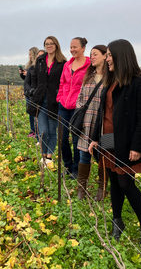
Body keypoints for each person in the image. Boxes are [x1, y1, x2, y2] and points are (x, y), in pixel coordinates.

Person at [88, 39, 141, 247]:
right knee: (113, 179)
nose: (106, 59)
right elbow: (103, 112)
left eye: (109, 55)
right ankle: (118, 221)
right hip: (108, 137)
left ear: (121, 55)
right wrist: (96, 138)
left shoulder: (139, 81)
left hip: (126, 140)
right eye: (106, 55)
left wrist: (136, 146)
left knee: (126, 182)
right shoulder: (110, 80)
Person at [27, 36, 67, 165]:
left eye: (51, 43)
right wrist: (33, 91)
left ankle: (49, 157)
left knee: (52, 131)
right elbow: (34, 78)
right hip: (41, 100)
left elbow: (64, 81)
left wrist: (60, 95)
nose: (49, 46)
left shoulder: (62, 62)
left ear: (56, 45)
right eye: (47, 44)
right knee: (43, 131)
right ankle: (43, 155)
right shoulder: (40, 60)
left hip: (54, 101)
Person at [76, 45, 107, 200]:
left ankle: (102, 189)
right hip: (87, 122)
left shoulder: (112, 77)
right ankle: (81, 189)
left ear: (104, 56)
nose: (92, 57)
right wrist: (81, 109)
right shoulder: (89, 75)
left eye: (95, 54)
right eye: (91, 54)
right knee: (83, 155)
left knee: (103, 155)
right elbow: (80, 96)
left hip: (103, 123)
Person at [57, 37, 91, 179]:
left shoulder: (90, 65)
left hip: (79, 108)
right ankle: (68, 166)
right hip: (64, 106)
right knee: (62, 138)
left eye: (75, 47)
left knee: (77, 139)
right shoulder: (67, 65)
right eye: (70, 47)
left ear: (83, 48)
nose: (72, 50)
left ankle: (77, 168)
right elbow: (62, 83)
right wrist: (60, 98)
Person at [23, 47, 41, 138]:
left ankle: (37, 133)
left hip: (35, 94)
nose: (30, 56)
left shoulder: (37, 67)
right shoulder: (30, 66)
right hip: (29, 93)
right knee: (31, 113)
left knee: (36, 115)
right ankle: (33, 131)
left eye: (31, 54)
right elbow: (27, 81)